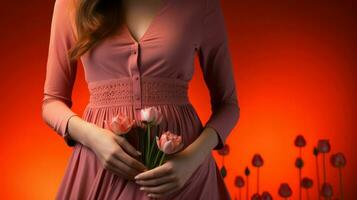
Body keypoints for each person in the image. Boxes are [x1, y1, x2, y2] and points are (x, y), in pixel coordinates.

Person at [41, 0, 240, 199]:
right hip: (100, 167)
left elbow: (228, 105)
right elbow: (52, 102)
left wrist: (191, 159)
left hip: (183, 175)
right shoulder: (71, 3)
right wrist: (93, 138)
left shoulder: (201, 4)